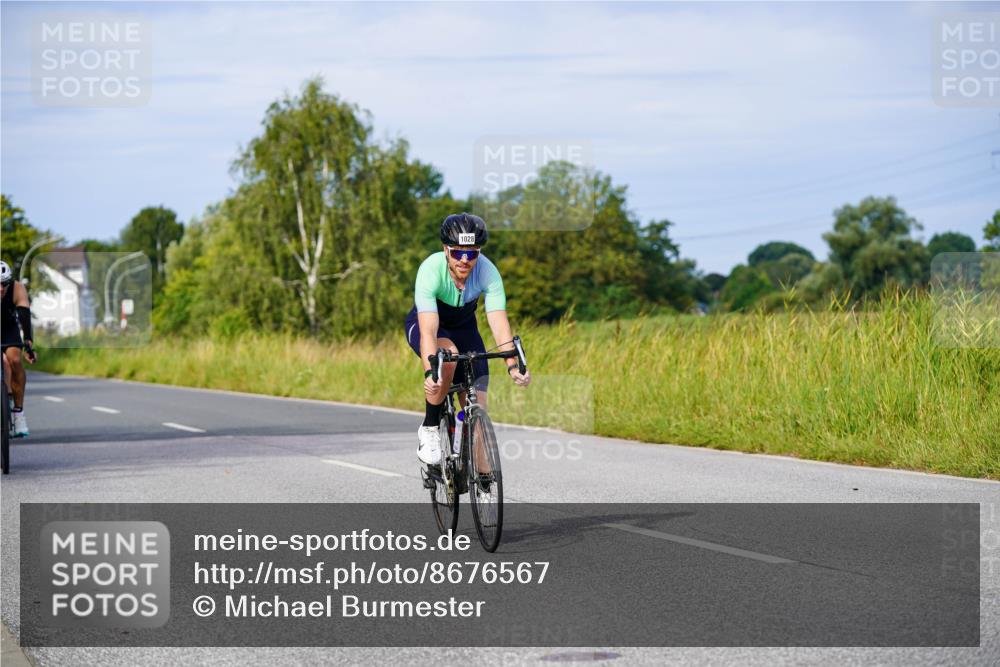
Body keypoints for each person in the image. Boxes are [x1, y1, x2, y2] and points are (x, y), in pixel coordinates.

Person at [404, 213, 530, 465]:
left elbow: (498, 321)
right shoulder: (430, 269)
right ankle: (429, 427)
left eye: (472, 253)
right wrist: (431, 373)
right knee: (447, 359)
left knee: (478, 411)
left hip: (465, 328)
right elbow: (429, 330)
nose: (464, 260)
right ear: (445, 250)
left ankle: (483, 484)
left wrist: (512, 365)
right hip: (428, 323)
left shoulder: (487, 271)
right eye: (457, 252)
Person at [1, 260, 36, 437]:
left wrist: (29, 342)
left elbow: (24, 316)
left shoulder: (17, 288)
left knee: (14, 359)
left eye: (4, 284)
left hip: (8, 328)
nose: (1, 289)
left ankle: (18, 413)